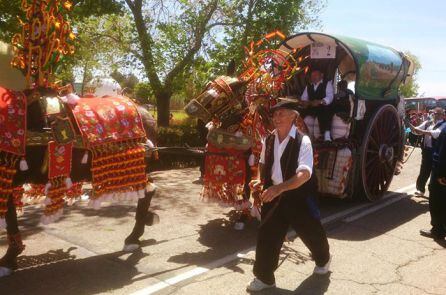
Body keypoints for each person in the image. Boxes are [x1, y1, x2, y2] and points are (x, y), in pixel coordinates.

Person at [246, 100, 331, 292]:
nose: (276, 118)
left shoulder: (303, 141)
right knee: (267, 235)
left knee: (311, 232)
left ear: (294, 116)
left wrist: (279, 188)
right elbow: (262, 164)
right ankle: (265, 278)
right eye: (275, 115)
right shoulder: (268, 140)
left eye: (282, 114)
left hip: (298, 196)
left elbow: (305, 174)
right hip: (272, 196)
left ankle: (323, 259)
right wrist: (260, 179)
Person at [420, 118, 446, 240]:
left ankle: (437, 230)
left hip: (441, 172)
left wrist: (441, 174)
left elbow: (443, 154)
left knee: (436, 201)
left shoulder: (445, 129)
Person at [409, 107, 446, 196]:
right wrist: (413, 128)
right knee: (424, 170)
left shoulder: (444, 124)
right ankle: (420, 189)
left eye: (436, 113)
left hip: (436, 151)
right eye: (433, 113)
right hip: (426, 150)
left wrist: (421, 131)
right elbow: (417, 131)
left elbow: (436, 134)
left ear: (442, 115)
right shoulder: (428, 122)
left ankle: (434, 191)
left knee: (435, 171)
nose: (433, 115)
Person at [299, 69, 334, 141]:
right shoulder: (309, 86)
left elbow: (330, 97)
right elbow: (304, 98)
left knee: (325, 111)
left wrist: (320, 101)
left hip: (323, 108)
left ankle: (327, 136)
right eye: (312, 76)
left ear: (321, 75)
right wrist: (304, 102)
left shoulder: (327, 83)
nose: (313, 77)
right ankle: (302, 136)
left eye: (315, 75)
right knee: (300, 112)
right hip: (311, 108)